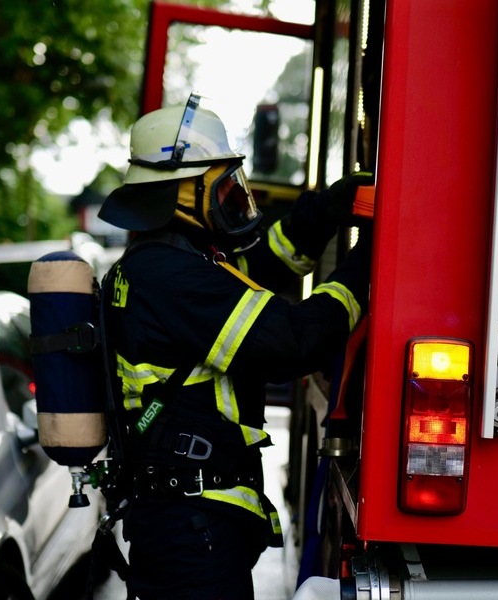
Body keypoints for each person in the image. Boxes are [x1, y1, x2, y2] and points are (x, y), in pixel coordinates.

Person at [97, 94, 372, 600]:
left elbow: (258, 269)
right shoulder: (172, 277)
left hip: (184, 523)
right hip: (191, 529)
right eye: (222, 187)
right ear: (183, 192)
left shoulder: (164, 263)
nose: (233, 198)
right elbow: (295, 342)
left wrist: (324, 212)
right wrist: (370, 261)